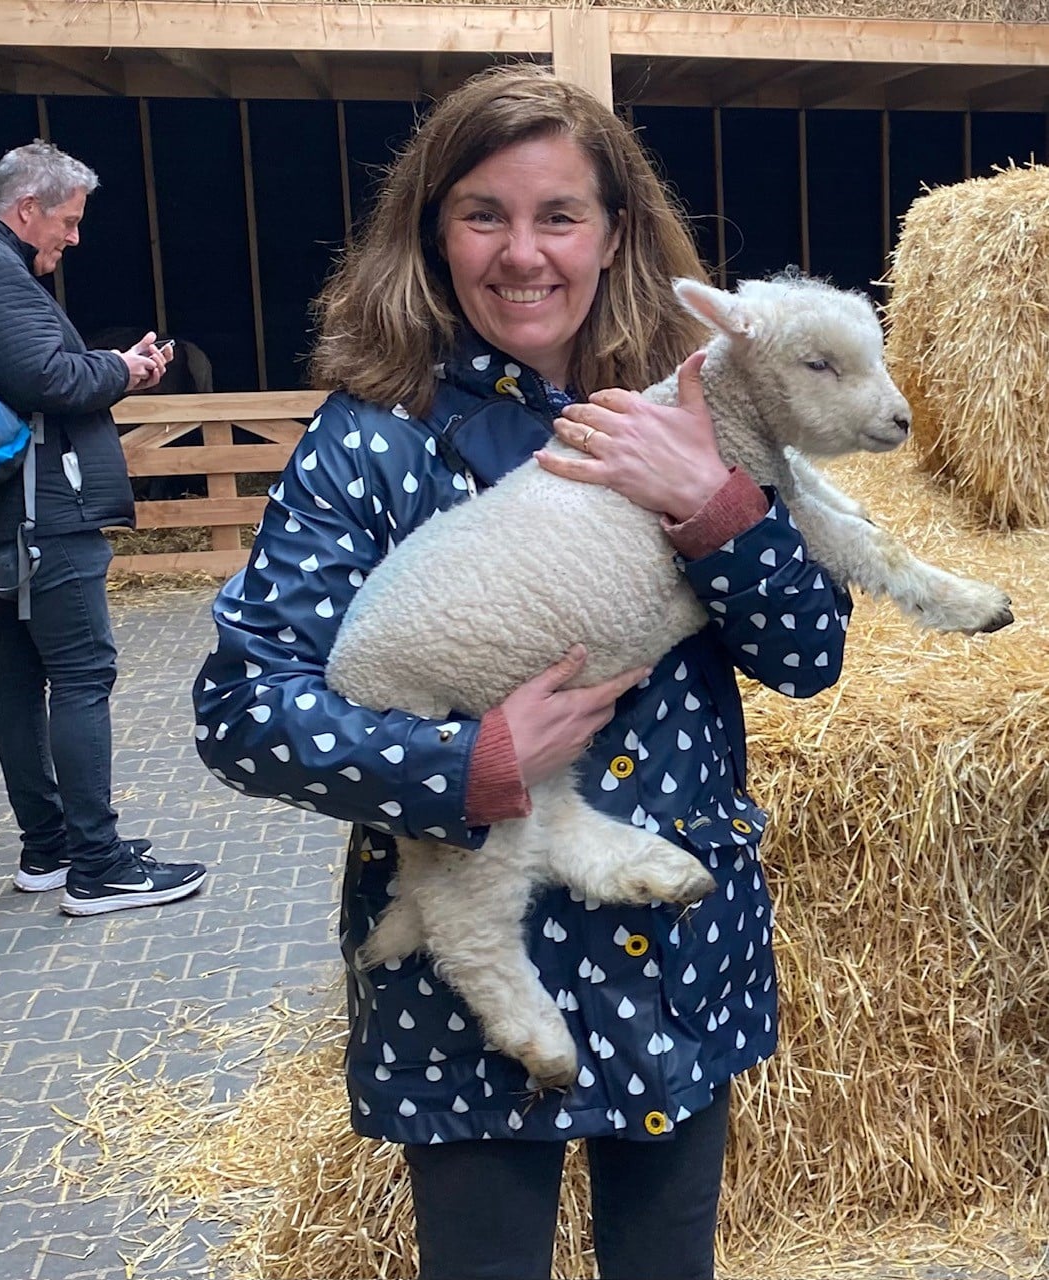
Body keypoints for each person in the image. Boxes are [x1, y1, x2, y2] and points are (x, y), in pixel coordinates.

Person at [192, 65, 851, 1280]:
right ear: (433, 232)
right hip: (478, 976)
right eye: (482, 214)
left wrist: (715, 510)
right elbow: (242, 710)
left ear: (615, 233)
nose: (522, 253)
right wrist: (468, 764)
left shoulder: (695, 413)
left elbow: (811, 655)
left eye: (559, 215)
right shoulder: (374, 440)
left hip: (670, 937)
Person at [0, 140, 207, 916]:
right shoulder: (4, 277)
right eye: (69, 220)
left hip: (11, 522)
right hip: (44, 520)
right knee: (82, 678)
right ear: (28, 209)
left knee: (16, 685)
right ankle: (97, 866)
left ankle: (49, 847)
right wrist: (123, 370)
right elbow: (47, 378)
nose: (75, 237)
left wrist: (111, 366)